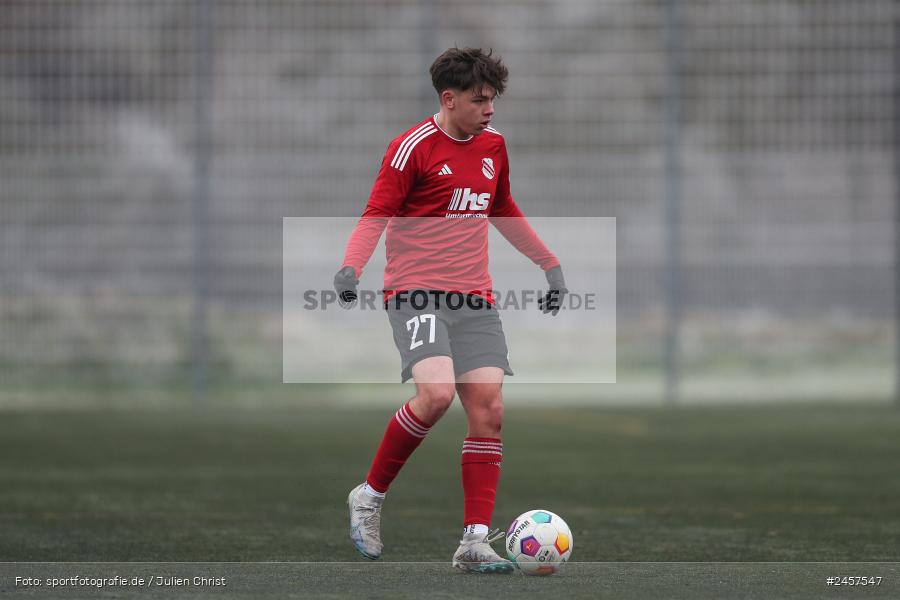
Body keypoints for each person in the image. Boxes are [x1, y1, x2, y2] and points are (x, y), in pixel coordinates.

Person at [334, 47, 567, 573]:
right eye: (480, 100)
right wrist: (351, 268)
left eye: (493, 101)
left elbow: (501, 206)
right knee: (436, 396)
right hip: (416, 291)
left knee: (489, 411)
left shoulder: (494, 146)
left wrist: (548, 265)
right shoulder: (410, 148)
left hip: (475, 298)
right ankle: (368, 496)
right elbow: (377, 212)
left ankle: (473, 543)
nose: (490, 110)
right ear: (449, 98)